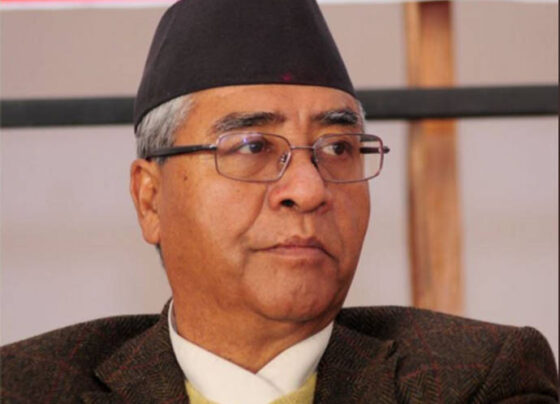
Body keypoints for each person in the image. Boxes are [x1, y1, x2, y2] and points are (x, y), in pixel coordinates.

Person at [1, 0, 558, 402]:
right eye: (252, 147)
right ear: (150, 200)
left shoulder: (474, 381)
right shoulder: (27, 387)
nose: (310, 189)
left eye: (338, 148)